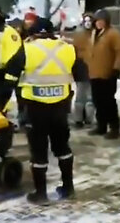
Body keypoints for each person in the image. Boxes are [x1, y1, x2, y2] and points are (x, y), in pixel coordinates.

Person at [5, 18, 76, 204]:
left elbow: (9, 75)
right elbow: (81, 73)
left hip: (35, 108)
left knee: (38, 150)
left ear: (33, 32)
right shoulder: (67, 48)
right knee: (62, 147)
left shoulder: (27, 49)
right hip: (61, 107)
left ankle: (41, 193)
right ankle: (68, 187)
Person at [87, 9, 120, 139]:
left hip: (108, 74)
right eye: (97, 21)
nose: (99, 24)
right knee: (97, 101)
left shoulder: (113, 34)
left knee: (108, 102)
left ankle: (114, 128)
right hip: (94, 74)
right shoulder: (94, 34)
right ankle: (101, 126)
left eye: (101, 21)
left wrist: (116, 68)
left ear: (107, 22)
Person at [72, 13, 96, 128]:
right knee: (82, 94)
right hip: (81, 67)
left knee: (89, 95)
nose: (88, 23)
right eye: (86, 21)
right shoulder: (80, 34)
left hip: (91, 67)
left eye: (89, 21)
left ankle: (87, 118)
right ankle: (80, 118)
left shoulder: (95, 34)